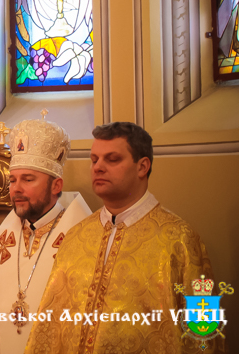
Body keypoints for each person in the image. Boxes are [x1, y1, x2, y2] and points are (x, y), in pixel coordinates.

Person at [24, 122, 218, 354]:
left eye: (112, 159)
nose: (98, 167)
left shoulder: (180, 240)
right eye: (94, 160)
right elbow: (49, 328)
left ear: (142, 166)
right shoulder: (76, 237)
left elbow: (204, 334)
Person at [0, 114, 91, 353]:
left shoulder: (81, 241)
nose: (16, 189)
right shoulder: (2, 241)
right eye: (13, 180)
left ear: (56, 186)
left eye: (28, 180)